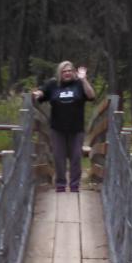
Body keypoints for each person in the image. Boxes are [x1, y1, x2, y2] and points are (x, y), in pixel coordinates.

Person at [32, 60, 95, 193]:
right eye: (64, 71)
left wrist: (84, 80)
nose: (67, 73)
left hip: (76, 128)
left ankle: (74, 185)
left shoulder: (79, 84)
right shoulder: (53, 84)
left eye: (69, 71)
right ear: (60, 73)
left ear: (73, 72)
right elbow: (42, 93)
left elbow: (91, 95)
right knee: (58, 158)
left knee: (76, 158)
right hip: (57, 128)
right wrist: (37, 94)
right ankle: (60, 184)